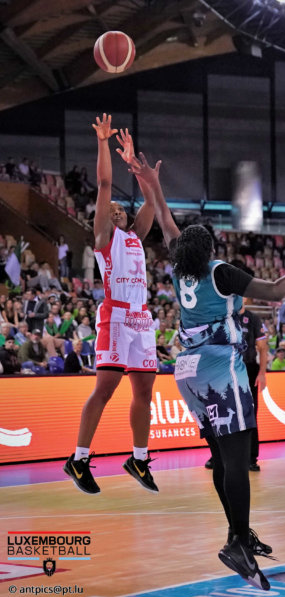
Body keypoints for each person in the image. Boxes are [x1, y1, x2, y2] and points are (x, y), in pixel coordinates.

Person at [128, 149, 285, 591]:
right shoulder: (219, 272)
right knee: (238, 461)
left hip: (187, 372)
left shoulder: (180, 268)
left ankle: (238, 534)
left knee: (222, 459)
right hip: (218, 369)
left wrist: (153, 184)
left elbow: (166, 221)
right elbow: (277, 290)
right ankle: (239, 543)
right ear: (209, 249)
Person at [63, 115, 158, 495]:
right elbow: (104, 184)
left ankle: (138, 458)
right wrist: (103, 142)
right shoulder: (105, 238)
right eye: (112, 209)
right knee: (105, 388)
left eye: (121, 210)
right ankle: (78, 458)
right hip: (116, 316)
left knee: (144, 391)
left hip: (142, 318)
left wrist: (137, 168)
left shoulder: (136, 236)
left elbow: (151, 201)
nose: (117, 211)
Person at [205, 295, 267, 471]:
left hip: (247, 369)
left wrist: (262, 373)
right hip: (224, 369)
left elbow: (263, 347)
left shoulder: (253, 319)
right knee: (222, 414)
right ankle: (218, 456)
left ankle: (251, 458)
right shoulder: (222, 317)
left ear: (245, 299)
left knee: (249, 414)